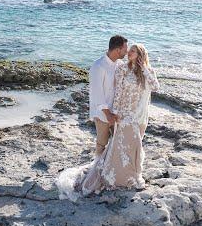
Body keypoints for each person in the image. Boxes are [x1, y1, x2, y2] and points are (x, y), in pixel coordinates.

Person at [57, 43, 160, 201]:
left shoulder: (148, 72)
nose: (128, 53)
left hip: (137, 116)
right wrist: (115, 114)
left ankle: (132, 174)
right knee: (119, 146)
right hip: (124, 115)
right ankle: (117, 176)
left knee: (134, 145)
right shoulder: (123, 69)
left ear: (140, 54)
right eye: (129, 50)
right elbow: (118, 92)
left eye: (132, 51)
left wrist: (144, 69)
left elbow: (155, 86)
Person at [88, 35, 128, 156]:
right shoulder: (98, 66)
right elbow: (97, 94)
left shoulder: (120, 64)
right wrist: (108, 114)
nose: (126, 52)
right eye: (125, 49)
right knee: (102, 143)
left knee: (116, 142)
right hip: (102, 113)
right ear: (117, 50)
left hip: (116, 112)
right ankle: (97, 170)